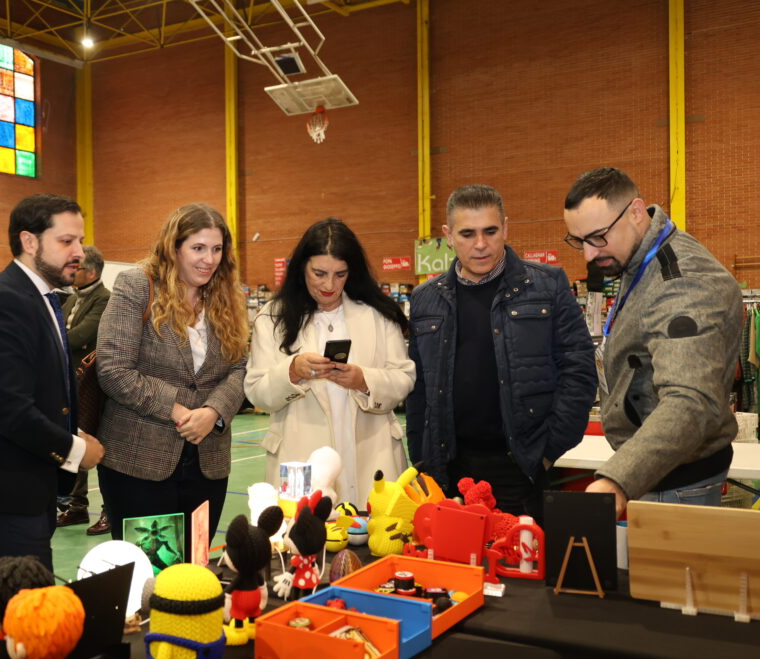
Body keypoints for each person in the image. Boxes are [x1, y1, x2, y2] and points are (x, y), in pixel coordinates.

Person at [406, 184, 596, 519]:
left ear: (506, 228)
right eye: (467, 233)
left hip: (521, 470)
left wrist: (546, 453)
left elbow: (578, 372)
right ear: (448, 236)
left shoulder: (547, 286)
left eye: (490, 231)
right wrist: (422, 459)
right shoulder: (425, 299)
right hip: (448, 471)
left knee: (518, 553)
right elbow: (418, 387)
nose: (480, 244)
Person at [562, 167, 741, 517]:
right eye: (579, 240)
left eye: (598, 237)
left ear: (635, 212)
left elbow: (691, 400)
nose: (588, 255)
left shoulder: (681, 284)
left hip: (676, 483)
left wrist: (617, 480)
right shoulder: (638, 259)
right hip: (657, 473)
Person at [0, 193, 104, 581]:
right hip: (3, 489)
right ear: (29, 241)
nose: (78, 252)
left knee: (21, 600)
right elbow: (11, 411)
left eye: (80, 241)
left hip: (27, 483)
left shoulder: (39, 297)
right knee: (28, 603)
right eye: (66, 241)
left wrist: (71, 429)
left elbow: (37, 388)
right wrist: (76, 450)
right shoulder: (8, 303)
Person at [96, 203, 248, 554]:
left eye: (216, 249)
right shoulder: (137, 286)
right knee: (152, 573)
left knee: (195, 568)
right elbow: (114, 370)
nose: (209, 259)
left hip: (208, 464)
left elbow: (241, 368)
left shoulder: (225, 296)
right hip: (140, 465)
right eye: (198, 248)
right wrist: (179, 411)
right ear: (173, 248)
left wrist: (213, 412)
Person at [245, 219, 415, 506]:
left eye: (340, 274)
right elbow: (256, 392)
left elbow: (404, 378)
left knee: (373, 528)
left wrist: (364, 380)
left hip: (373, 454)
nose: (329, 285)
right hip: (299, 456)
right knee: (306, 529)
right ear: (302, 268)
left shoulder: (379, 314)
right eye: (319, 273)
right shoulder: (272, 317)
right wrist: (292, 371)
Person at [56, 245, 112, 535]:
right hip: (70, 384)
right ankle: (76, 506)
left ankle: (109, 509)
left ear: (90, 272)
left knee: (101, 448)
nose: (71, 271)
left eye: (76, 267)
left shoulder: (105, 300)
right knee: (76, 443)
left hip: (95, 387)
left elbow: (80, 336)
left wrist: (52, 340)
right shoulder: (71, 298)